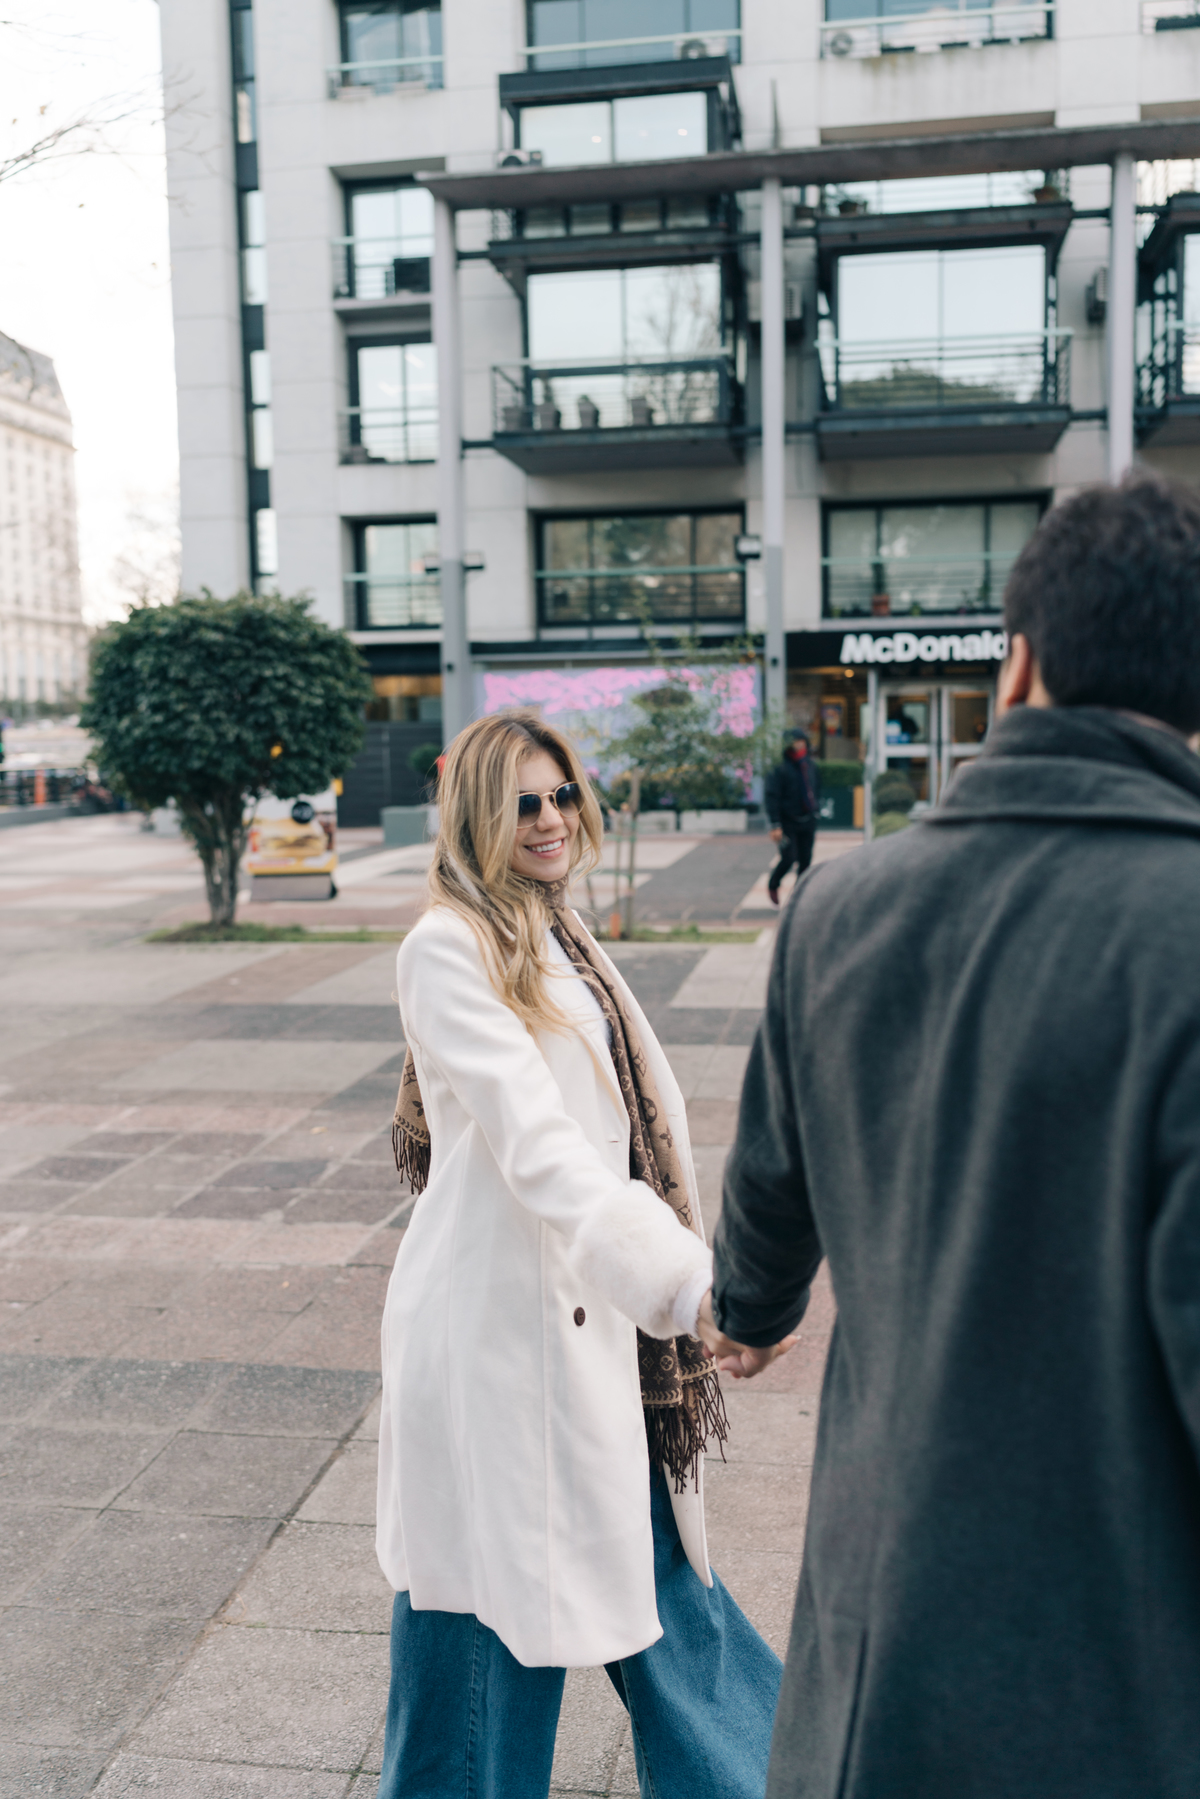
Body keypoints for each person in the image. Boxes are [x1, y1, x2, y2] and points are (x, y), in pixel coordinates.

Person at [699, 474, 1200, 1798]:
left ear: (1020, 659)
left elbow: (768, 1179)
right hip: (1124, 1703)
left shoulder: (841, 910)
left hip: (873, 1685)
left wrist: (747, 1309)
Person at [376, 709, 786, 1799]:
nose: (551, 818)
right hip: (500, 1342)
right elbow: (541, 1146)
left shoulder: (556, 928)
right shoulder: (448, 946)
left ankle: (792, 1767)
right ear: (475, 815)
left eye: (561, 794)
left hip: (585, 1334)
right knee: (480, 1643)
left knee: (643, 1608)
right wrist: (687, 1281)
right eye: (522, 803)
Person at [764, 730, 820, 906]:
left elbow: (816, 788)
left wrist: (815, 810)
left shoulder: (810, 765)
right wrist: (775, 824)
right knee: (789, 858)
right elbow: (771, 796)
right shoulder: (779, 768)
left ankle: (798, 899)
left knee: (805, 861)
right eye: (794, 742)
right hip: (787, 821)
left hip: (808, 820)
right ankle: (774, 883)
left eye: (801, 741)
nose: (798, 745)